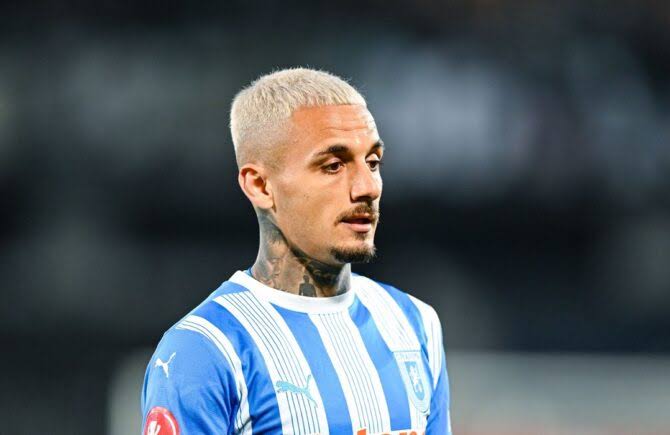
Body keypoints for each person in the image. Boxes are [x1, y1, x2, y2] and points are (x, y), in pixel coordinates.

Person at [141, 68, 452, 435]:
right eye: (333, 166)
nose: (367, 187)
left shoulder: (415, 324)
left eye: (373, 162)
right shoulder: (205, 349)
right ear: (260, 186)